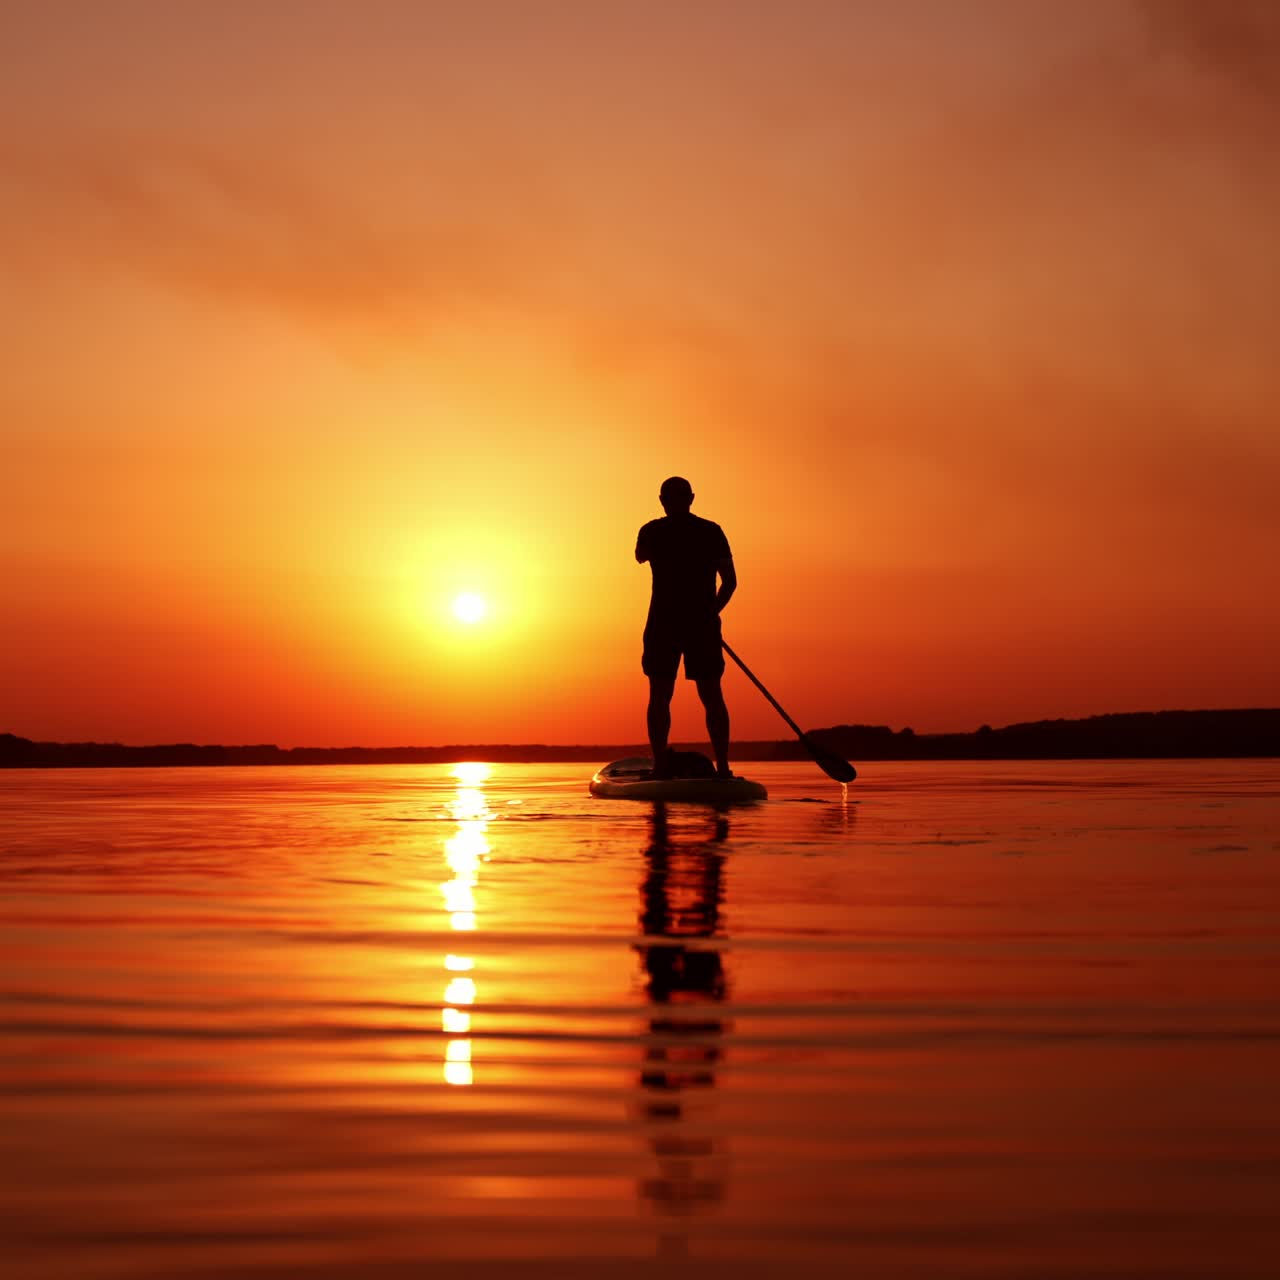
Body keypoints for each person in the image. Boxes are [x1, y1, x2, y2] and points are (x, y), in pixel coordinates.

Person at [635, 476, 736, 779]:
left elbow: (640, 556)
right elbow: (730, 583)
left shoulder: (651, 531)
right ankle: (722, 768)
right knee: (711, 694)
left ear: (662, 500)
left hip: (664, 623)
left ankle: (661, 768)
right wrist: (709, 614)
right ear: (691, 498)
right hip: (698, 626)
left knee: (660, 694)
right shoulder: (711, 531)